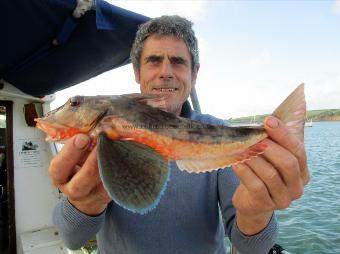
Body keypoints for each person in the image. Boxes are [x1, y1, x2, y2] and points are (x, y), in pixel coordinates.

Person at [50, 15, 309, 254]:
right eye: (153, 61)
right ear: (137, 73)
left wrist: (256, 214)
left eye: (178, 61)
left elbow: (253, 248)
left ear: (194, 74)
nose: (165, 71)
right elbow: (71, 239)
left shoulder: (223, 138)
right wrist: (83, 204)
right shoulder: (93, 143)